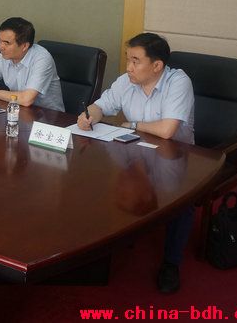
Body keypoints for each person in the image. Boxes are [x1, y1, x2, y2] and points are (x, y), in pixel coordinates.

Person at [77, 32, 194, 294]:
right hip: (136, 152)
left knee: (180, 202)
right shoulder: (126, 81)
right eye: (128, 59)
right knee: (97, 177)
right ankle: (103, 243)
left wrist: (131, 124)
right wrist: (89, 116)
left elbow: (167, 130)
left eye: (135, 61)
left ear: (157, 65)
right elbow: (101, 106)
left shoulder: (178, 82)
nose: (128, 67)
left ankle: (171, 262)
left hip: (176, 155)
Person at [0, 17, 64, 111]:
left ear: (24, 46)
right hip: (18, 112)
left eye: (7, 43)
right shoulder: (4, 57)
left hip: (49, 117)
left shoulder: (41, 58)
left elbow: (27, 99)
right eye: (0, 41)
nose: (0, 47)